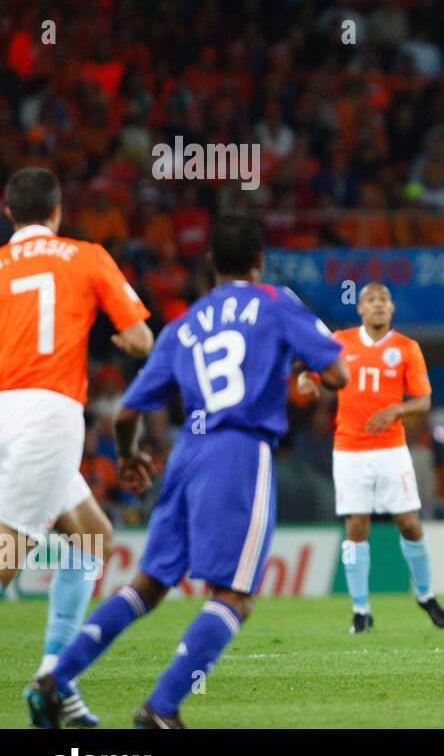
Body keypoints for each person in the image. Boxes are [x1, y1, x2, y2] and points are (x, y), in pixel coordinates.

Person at [25, 215, 348, 729]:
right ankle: (161, 707)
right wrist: (302, 368)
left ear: (210, 265)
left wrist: (129, 456)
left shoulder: (186, 322)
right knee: (234, 597)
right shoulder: (275, 301)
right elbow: (337, 372)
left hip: (185, 454)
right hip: (239, 451)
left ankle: (55, 679)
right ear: (259, 262)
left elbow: (126, 414)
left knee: (146, 586)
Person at [0, 167, 154, 727]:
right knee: (7, 555)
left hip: (5, 408)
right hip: (47, 412)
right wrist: (119, 337)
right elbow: (140, 338)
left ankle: (55, 680)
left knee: (91, 534)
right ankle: (56, 681)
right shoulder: (86, 256)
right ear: (58, 210)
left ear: (9, 212)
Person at [297, 281, 444, 634]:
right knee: (355, 528)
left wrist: (396, 408)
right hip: (349, 449)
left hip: (392, 450)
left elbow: (423, 401)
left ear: (392, 309)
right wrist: (306, 378)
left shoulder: (407, 348)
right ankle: (360, 609)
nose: (378, 304)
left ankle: (426, 595)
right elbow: (311, 367)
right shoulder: (340, 341)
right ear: (360, 309)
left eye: (384, 299)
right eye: (370, 299)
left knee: (410, 524)